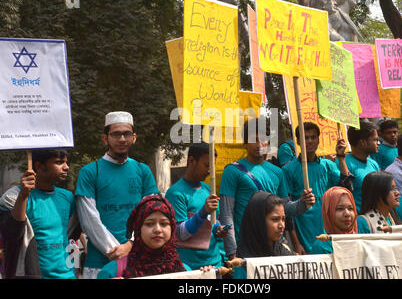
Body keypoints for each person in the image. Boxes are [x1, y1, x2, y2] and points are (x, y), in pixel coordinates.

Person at [75, 111, 159, 279]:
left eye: (127, 134)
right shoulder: (90, 172)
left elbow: (151, 214)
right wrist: (116, 251)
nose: (122, 139)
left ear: (134, 137)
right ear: (105, 138)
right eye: (116, 134)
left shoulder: (143, 171)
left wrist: (131, 245)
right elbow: (89, 220)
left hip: (138, 260)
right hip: (99, 263)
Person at [219, 118, 314, 261]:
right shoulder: (232, 171)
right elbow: (227, 214)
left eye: (263, 139)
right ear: (244, 143)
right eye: (253, 139)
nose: (259, 144)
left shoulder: (277, 172)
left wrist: (303, 203)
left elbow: (285, 209)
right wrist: (232, 252)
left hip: (274, 246)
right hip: (245, 247)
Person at [0, 149, 80, 279]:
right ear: (38, 166)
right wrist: (23, 195)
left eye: (65, 162)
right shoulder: (13, 197)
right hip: (31, 275)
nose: (66, 167)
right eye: (59, 162)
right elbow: (11, 233)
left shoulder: (67, 198)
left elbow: (72, 234)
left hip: (67, 275)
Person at [282, 122, 351, 253]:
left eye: (313, 137)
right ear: (298, 141)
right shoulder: (288, 170)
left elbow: (346, 187)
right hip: (304, 234)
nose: (309, 141)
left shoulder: (328, 166)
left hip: (328, 230)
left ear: (319, 140)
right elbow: (287, 212)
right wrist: (296, 243)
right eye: (305, 138)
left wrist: (341, 156)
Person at [165, 142, 228, 271]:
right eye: (206, 165)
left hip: (215, 264)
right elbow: (180, 234)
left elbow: (212, 221)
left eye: (212, 166)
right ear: (191, 160)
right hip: (189, 267)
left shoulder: (208, 190)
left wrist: (218, 229)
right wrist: (204, 211)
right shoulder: (175, 193)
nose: (210, 171)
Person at [97, 195, 187, 278]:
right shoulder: (112, 271)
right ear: (138, 229)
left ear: (172, 228)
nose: (158, 230)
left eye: (164, 224)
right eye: (149, 224)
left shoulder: (185, 271)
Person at [234, 192, 296, 279]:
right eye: (275, 219)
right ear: (259, 222)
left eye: (283, 219)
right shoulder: (243, 264)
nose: (282, 225)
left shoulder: (285, 253)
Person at [342, 120, 380, 212]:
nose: (378, 143)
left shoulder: (373, 164)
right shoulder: (344, 164)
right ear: (363, 142)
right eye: (375, 140)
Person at [310, 187, 358, 254]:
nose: (347, 214)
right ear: (328, 213)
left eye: (350, 208)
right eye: (340, 209)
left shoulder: (361, 241)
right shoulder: (323, 247)